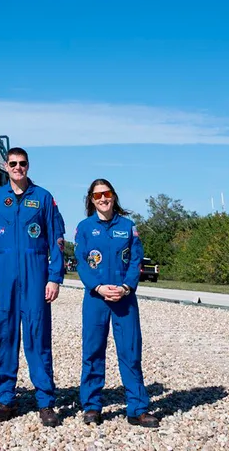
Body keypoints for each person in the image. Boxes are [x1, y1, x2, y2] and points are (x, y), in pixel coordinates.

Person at [0, 147, 66, 427]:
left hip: (35, 277)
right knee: (4, 337)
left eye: (22, 163)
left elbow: (57, 241)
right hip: (4, 279)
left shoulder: (43, 198)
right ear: (6, 166)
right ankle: (5, 399)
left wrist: (54, 277)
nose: (18, 168)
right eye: (13, 163)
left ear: (28, 166)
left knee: (38, 337)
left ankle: (45, 401)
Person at [74, 178, 159, 428]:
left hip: (124, 299)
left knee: (131, 353)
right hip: (96, 298)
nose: (103, 198)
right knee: (92, 352)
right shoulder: (85, 227)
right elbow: (80, 261)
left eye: (107, 193)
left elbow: (136, 261)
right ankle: (91, 406)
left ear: (114, 196)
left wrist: (125, 287)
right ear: (91, 199)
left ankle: (137, 408)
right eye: (97, 194)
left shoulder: (128, 226)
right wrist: (98, 287)